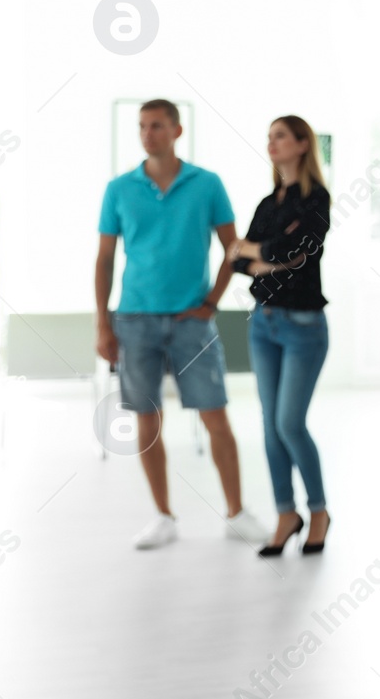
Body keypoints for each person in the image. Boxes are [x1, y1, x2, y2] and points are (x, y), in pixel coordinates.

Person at [94, 99, 270, 550]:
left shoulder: (207, 184)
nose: (147, 134)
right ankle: (163, 517)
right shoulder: (119, 189)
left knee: (216, 417)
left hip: (192, 321)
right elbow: (106, 258)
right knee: (147, 422)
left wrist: (212, 301)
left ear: (176, 130)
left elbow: (234, 248)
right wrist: (104, 323)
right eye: (141, 126)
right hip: (133, 320)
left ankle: (236, 512)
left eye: (156, 126)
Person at [227, 115, 332, 557]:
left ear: (303, 144)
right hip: (264, 322)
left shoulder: (317, 200)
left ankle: (319, 511)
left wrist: (264, 253)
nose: (272, 143)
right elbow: (235, 257)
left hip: (303, 326)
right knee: (270, 427)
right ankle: (286, 514)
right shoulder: (268, 204)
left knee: (290, 423)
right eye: (269, 137)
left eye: (281, 136)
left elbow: (296, 251)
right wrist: (267, 257)